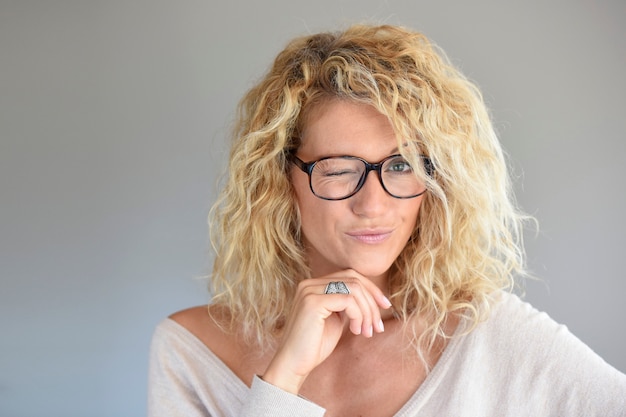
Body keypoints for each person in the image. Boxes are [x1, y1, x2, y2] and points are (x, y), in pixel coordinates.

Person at [147, 24, 626, 416]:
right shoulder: (192, 353)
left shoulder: (487, 335)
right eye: (338, 170)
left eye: (400, 166)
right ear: (279, 180)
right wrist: (283, 379)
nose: (373, 205)